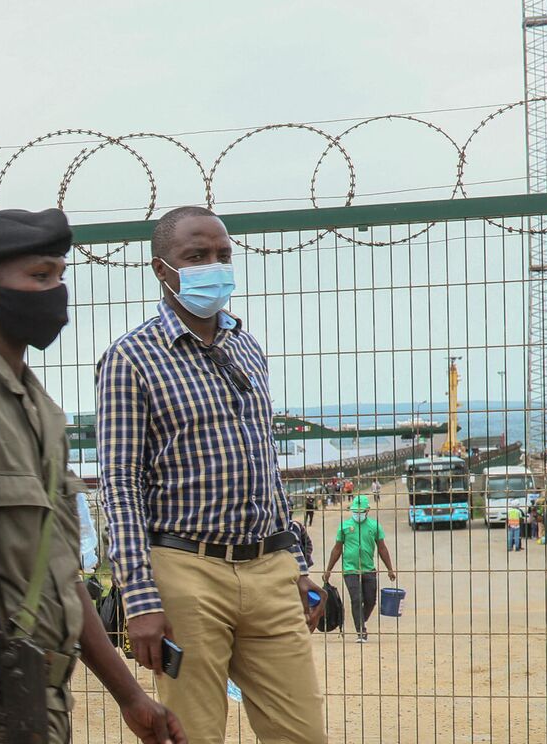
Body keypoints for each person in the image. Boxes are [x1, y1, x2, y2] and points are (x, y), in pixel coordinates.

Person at [0, 209, 183, 744]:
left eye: (59, 275)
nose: (56, 291)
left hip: (40, 697)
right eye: (40, 276)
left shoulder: (38, 409)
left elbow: (64, 578)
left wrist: (131, 698)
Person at [97, 206, 328, 744]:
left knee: (303, 733)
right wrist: (140, 599)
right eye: (195, 257)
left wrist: (295, 564)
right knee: (194, 734)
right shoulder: (131, 359)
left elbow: (264, 464)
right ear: (162, 269)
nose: (214, 267)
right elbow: (120, 485)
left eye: (222, 255)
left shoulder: (245, 347)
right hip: (186, 572)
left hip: (269, 567)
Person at [322, 495, 398, 644]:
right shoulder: (344, 526)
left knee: (370, 601)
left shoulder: (374, 526)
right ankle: (361, 631)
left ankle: (360, 619)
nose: (357, 514)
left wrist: (390, 569)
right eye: (355, 511)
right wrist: (328, 569)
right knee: (356, 599)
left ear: (367, 510)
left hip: (368, 569)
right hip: (350, 570)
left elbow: (382, 548)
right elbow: (337, 549)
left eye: (360, 511)